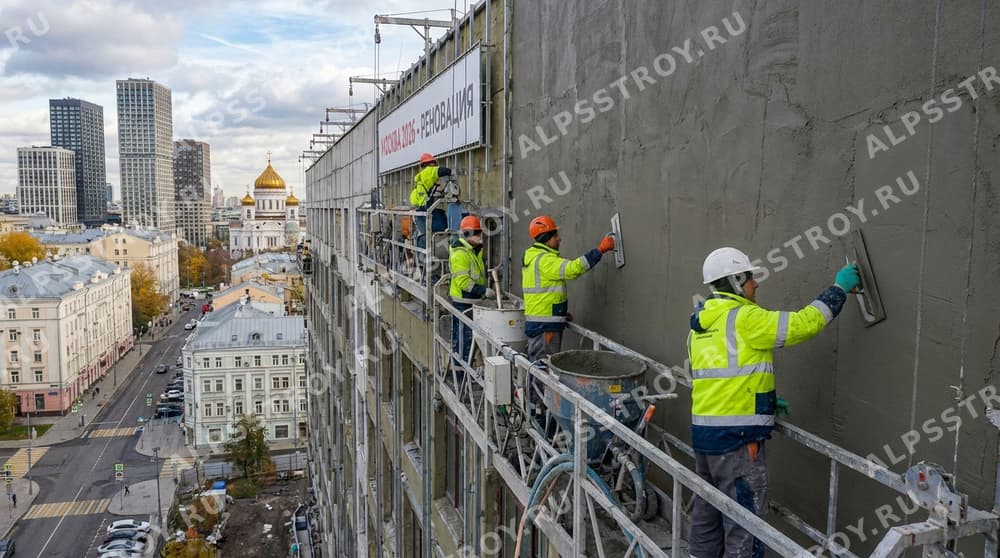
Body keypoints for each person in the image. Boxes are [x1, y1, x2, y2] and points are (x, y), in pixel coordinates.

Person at [687, 247, 860, 558]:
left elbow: (718, 379)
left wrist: (763, 400)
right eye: (750, 278)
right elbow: (802, 324)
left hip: (704, 439)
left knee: (707, 516)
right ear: (736, 281)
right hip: (738, 442)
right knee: (745, 526)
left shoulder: (699, 327)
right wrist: (838, 289)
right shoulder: (744, 318)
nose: (756, 283)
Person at [521, 215, 615, 363]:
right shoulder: (545, 260)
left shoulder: (534, 257)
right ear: (547, 239)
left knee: (540, 367)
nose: (559, 239)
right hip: (545, 327)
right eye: (555, 236)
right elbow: (573, 269)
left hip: (542, 322)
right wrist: (600, 250)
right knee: (543, 370)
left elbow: (544, 293)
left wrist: (559, 312)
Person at [448, 215, 494, 364]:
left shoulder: (473, 250)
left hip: (471, 301)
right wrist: (483, 291)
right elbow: (464, 282)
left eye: (480, 232)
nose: (480, 236)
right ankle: (460, 372)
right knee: (463, 341)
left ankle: (464, 368)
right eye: (477, 233)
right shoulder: (460, 253)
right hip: (463, 302)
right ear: (467, 234)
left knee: (468, 340)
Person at [409, 152, 452, 249]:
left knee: (424, 237)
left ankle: (426, 254)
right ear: (428, 164)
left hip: (421, 213)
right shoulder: (427, 172)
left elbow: (414, 199)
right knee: (443, 225)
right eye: (433, 163)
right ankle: (440, 250)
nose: (434, 166)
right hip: (426, 211)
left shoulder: (421, 180)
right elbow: (443, 171)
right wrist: (451, 172)